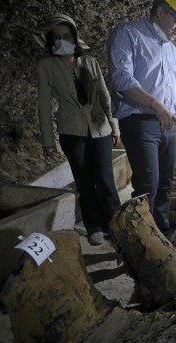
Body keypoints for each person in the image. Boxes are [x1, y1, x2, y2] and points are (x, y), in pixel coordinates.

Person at [107, 0, 176, 235]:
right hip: (140, 122)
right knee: (148, 186)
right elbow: (122, 80)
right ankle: (142, 240)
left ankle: (162, 235)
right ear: (159, 11)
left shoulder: (172, 50)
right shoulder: (128, 33)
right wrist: (157, 106)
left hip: (169, 125)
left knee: (166, 183)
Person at [33, 13, 121, 246]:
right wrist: (47, 139)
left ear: (74, 37)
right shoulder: (47, 66)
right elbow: (43, 104)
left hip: (99, 127)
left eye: (66, 35)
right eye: (57, 36)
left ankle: (117, 223)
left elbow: (103, 95)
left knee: (104, 179)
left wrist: (114, 127)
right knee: (84, 180)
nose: (62, 39)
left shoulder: (89, 61)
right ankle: (94, 226)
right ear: (51, 41)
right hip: (72, 131)